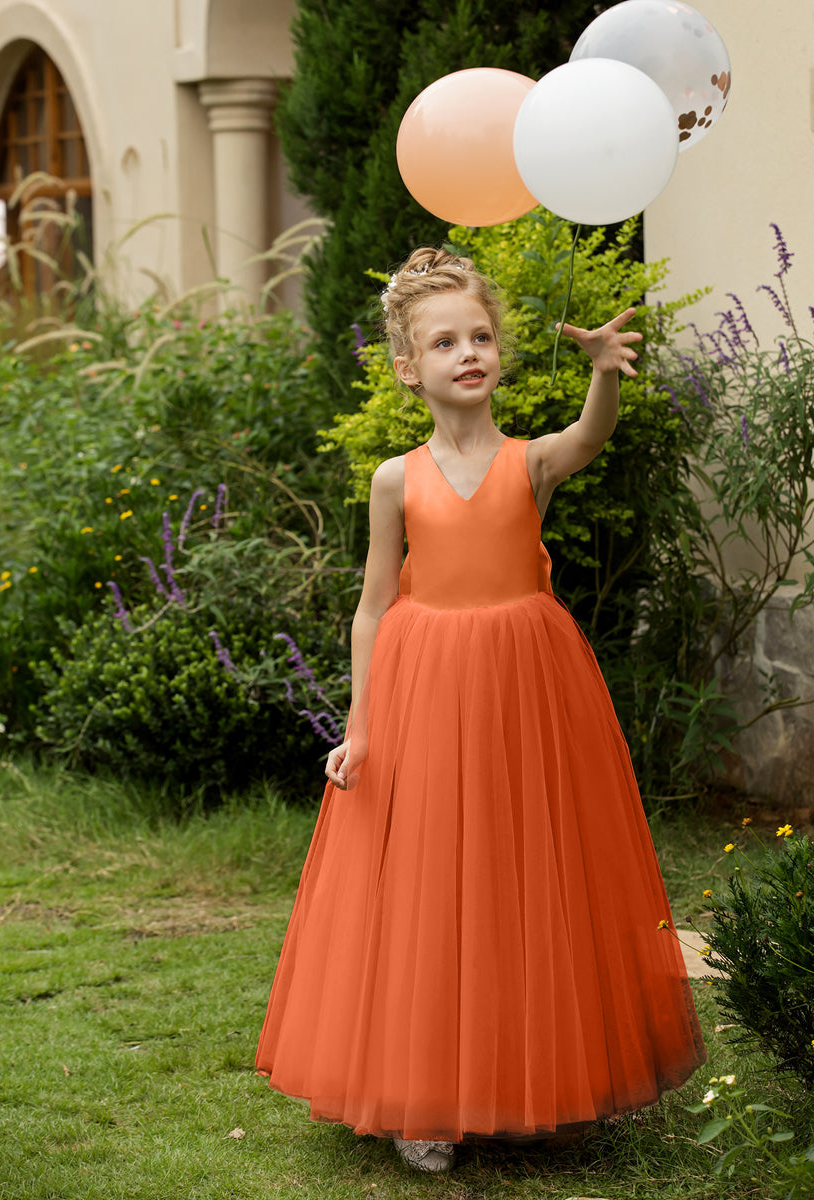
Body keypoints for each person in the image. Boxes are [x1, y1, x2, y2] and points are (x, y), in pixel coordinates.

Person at [256, 247, 706, 1174]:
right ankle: (426, 1094)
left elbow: (590, 439)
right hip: (424, 687)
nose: (469, 352)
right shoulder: (396, 479)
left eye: (482, 336)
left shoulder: (528, 461)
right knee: (429, 883)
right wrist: (362, 727)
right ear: (406, 367)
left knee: (528, 871)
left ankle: (541, 1072)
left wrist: (600, 376)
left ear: (499, 352)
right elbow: (375, 605)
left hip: (527, 687)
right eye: (445, 341)